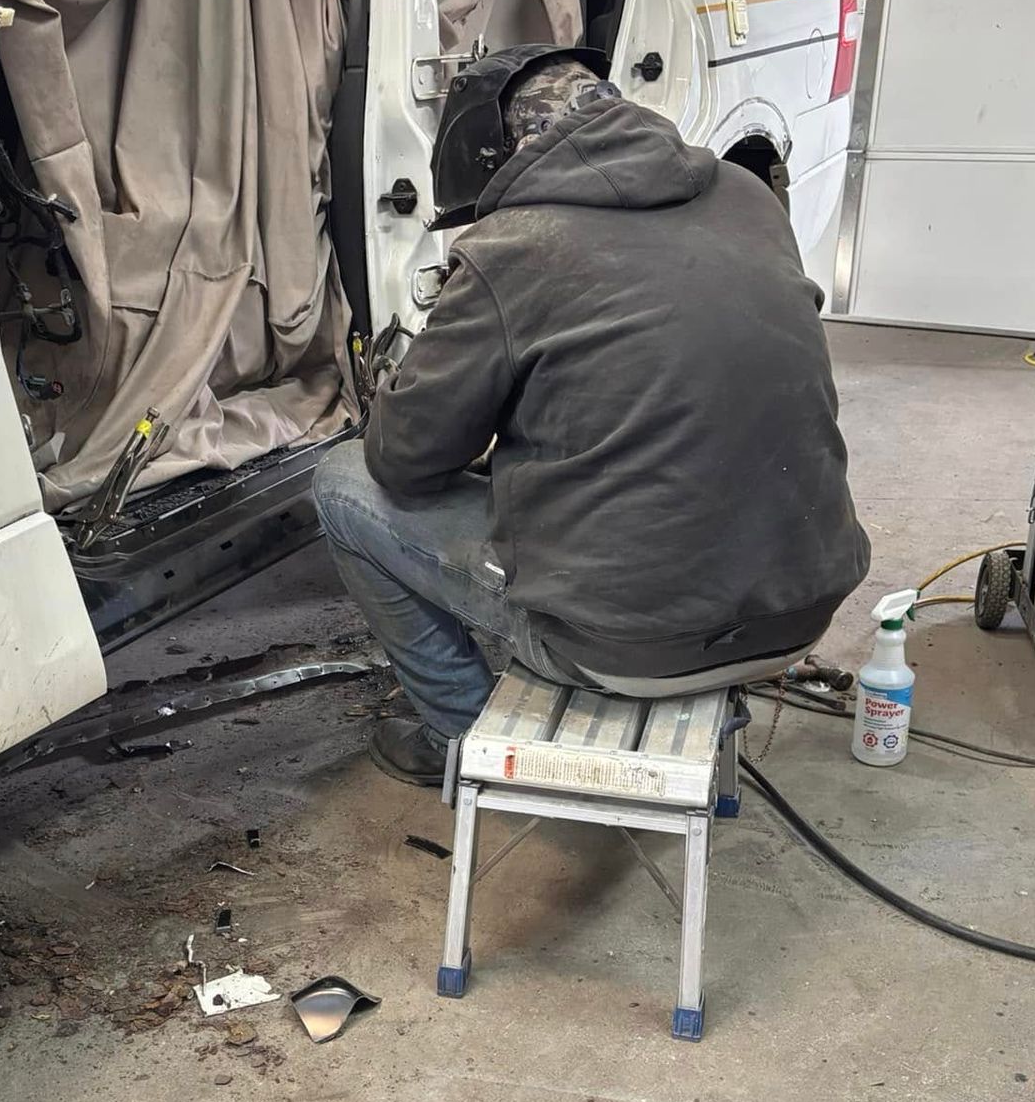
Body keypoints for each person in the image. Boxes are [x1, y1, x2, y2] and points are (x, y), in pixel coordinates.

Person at [314, 45, 871, 785]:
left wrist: (403, 387)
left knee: (341, 483)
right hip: (800, 610)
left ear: (503, 156)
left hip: (626, 645)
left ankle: (456, 732)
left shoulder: (513, 246)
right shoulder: (746, 196)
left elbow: (405, 462)